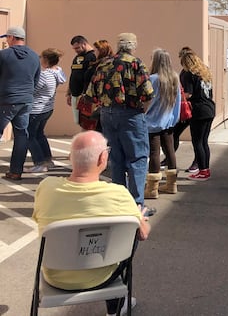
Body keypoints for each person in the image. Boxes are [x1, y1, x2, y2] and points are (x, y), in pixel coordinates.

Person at [32, 131, 151, 316]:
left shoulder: (46, 188)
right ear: (103, 157)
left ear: (71, 158)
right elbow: (143, 234)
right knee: (132, 230)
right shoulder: (119, 194)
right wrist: (140, 219)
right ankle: (116, 306)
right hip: (101, 276)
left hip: (56, 276)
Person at [85, 33, 154, 207]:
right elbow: (147, 93)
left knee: (116, 159)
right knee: (137, 159)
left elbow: (91, 93)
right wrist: (141, 112)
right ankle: (136, 205)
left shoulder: (105, 63)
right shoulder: (136, 63)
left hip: (107, 113)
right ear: (133, 46)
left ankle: (118, 203)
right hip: (130, 113)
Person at [3, 26, 42, 181]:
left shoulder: (4, 55)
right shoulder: (34, 56)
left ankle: (15, 171)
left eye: (7, 37)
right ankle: (16, 171)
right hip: (26, 100)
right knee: (21, 135)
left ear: (12, 37)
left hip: (6, 100)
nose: (6, 41)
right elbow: (36, 79)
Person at [144, 49, 181, 198]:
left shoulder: (152, 79)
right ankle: (172, 184)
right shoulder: (174, 78)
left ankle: (152, 189)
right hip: (168, 121)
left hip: (152, 121)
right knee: (169, 151)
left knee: (154, 153)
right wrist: (174, 118)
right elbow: (177, 102)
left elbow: (147, 101)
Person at [27, 48, 67, 173]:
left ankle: (39, 163)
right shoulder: (58, 72)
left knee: (30, 136)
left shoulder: (45, 75)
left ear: (46, 59)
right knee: (39, 134)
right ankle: (48, 160)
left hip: (36, 109)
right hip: (47, 108)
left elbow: (33, 90)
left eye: (41, 57)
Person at [180, 51, 215, 181]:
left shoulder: (189, 74)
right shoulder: (205, 74)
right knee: (204, 141)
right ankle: (206, 169)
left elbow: (188, 94)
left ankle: (202, 171)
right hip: (209, 108)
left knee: (197, 142)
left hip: (198, 110)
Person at [80, 39, 114, 131]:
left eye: (95, 50)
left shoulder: (104, 65)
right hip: (91, 100)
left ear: (101, 51)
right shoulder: (98, 63)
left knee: (94, 128)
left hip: (96, 102)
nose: (94, 52)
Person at [171, 46, 196, 172]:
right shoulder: (201, 71)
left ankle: (197, 163)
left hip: (189, 108)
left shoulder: (187, 73)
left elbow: (188, 93)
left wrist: (175, 100)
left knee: (176, 133)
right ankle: (198, 163)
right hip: (199, 108)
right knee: (199, 139)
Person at [66, 35, 96, 125]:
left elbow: (93, 77)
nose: (76, 50)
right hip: (75, 94)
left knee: (88, 122)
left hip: (85, 96)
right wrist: (69, 93)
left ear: (84, 44)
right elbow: (73, 75)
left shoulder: (92, 56)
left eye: (78, 48)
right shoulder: (77, 57)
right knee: (78, 121)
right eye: (74, 49)